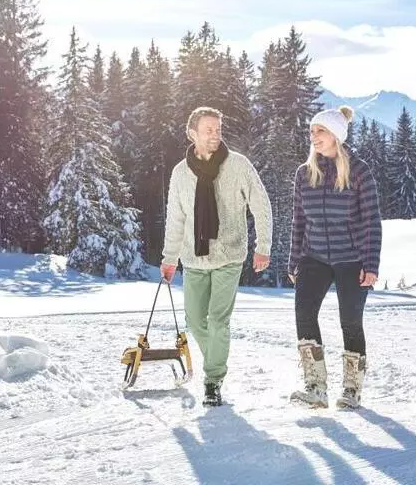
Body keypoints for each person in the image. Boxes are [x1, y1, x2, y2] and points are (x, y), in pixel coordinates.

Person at [161, 106, 273, 407]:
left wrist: (263, 247)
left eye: (218, 128)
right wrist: (169, 258)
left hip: (229, 256)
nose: (215, 134)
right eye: (208, 129)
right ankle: (215, 364)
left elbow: (261, 205)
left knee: (217, 321)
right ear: (192, 133)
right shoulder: (180, 173)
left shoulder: (238, 165)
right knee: (196, 322)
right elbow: (176, 219)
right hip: (194, 259)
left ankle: (212, 381)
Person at [288, 105, 382, 409]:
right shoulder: (305, 174)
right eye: (312, 131)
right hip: (314, 256)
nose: (314, 136)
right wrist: (294, 260)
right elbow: (299, 220)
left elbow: (371, 220)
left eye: (321, 131)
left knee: (350, 321)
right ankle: (315, 387)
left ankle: (352, 390)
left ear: (336, 136)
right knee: (304, 313)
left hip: (351, 258)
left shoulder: (358, 171)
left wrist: (370, 263)